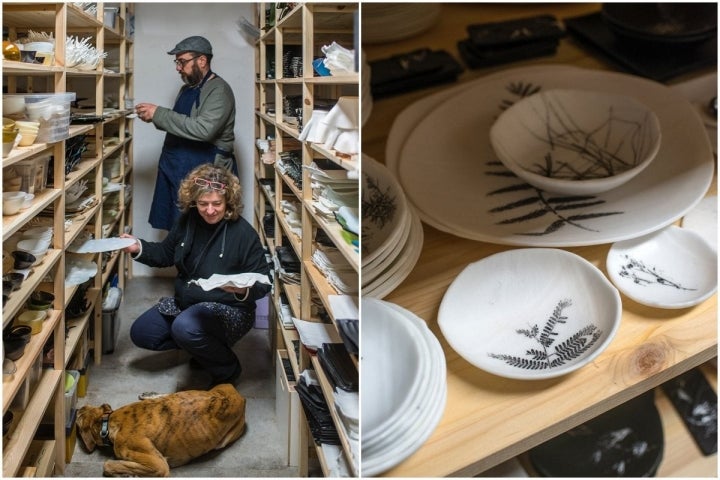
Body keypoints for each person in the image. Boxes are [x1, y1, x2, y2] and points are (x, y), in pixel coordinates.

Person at [120, 163, 271, 388]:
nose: (210, 210)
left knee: (185, 327)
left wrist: (243, 290)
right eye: (203, 204)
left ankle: (227, 369)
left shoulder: (243, 233)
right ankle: (201, 346)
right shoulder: (187, 221)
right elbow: (164, 254)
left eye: (217, 204)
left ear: (228, 201)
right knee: (143, 333)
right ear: (194, 201)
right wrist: (137, 247)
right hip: (187, 303)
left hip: (230, 309)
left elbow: (264, 280)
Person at [135, 35, 238, 231]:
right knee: (179, 230)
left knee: (202, 232)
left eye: (182, 62)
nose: (178, 67)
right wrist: (154, 117)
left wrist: (159, 113)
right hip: (177, 168)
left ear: (201, 61)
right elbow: (181, 124)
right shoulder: (187, 89)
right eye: (177, 62)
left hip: (205, 171)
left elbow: (203, 130)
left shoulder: (219, 91)